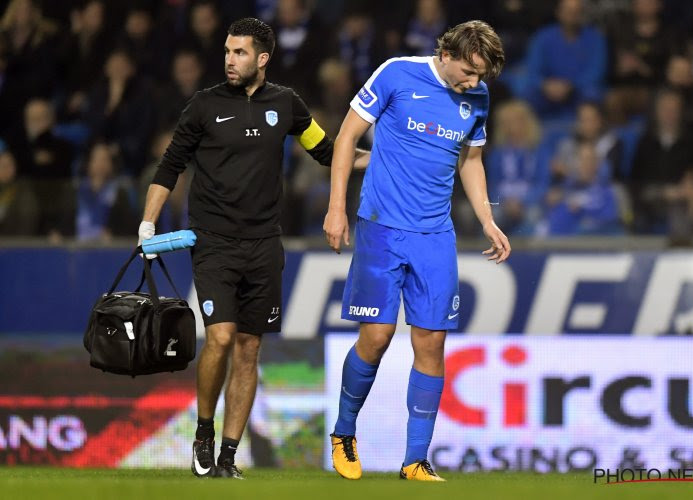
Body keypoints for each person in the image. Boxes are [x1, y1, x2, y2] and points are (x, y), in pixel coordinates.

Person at [139, 17, 368, 480]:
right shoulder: (203, 106)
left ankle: (227, 456)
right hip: (213, 244)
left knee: (248, 349)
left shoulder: (286, 105)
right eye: (227, 50)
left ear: (262, 59)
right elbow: (169, 167)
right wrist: (147, 223)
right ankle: (203, 434)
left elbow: (327, 152)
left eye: (240, 52)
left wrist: (387, 156)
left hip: (264, 245)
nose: (229, 58)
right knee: (220, 337)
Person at [323, 20, 510, 482]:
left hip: (435, 236)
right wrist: (336, 208)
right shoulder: (395, 73)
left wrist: (488, 220)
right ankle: (344, 432)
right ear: (446, 54)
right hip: (382, 228)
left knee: (432, 341)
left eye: (481, 75)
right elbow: (346, 138)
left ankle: (415, 460)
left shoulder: (478, 96)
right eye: (468, 71)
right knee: (378, 336)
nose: (474, 82)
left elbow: (471, 160)